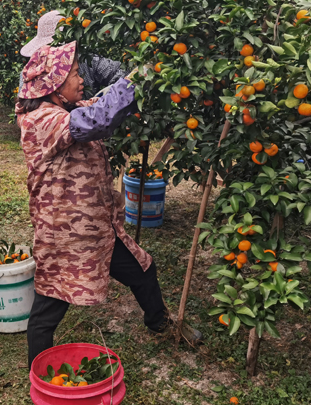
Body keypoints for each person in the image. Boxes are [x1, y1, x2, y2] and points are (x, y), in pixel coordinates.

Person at [15, 41, 201, 367]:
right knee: (48, 307)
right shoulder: (40, 121)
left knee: (143, 267)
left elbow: (101, 103)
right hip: (66, 236)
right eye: (73, 74)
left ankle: (158, 320)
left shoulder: (64, 110)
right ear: (55, 84)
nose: (81, 79)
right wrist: (140, 75)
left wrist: (139, 76)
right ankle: (40, 376)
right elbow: (97, 118)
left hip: (97, 229)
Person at [19, 10, 126, 98]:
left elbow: (121, 72)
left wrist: (105, 99)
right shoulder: (32, 72)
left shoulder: (88, 62)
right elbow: (24, 106)